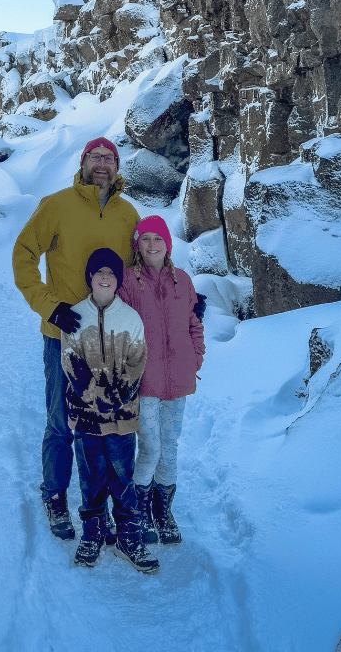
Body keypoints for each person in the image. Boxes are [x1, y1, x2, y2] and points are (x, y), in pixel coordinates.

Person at [12, 137, 139, 540]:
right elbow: (23, 254)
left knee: (107, 425)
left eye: (109, 158)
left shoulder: (127, 214)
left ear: (117, 167)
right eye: (95, 157)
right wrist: (49, 306)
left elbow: (140, 275)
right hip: (63, 335)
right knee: (60, 421)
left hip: (110, 340)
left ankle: (97, 506)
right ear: (83, 162)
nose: (102, 164)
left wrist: (185, 299)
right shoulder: (57, 204)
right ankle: (54, 495)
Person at [60, 249, 159, 573]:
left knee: (122, 476)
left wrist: (114, 397)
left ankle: (129, 537)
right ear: (90, 277)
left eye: (112, 273)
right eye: (99, 272)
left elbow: (137, 362)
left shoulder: (130, 319)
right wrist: (93, 395)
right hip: (86, 419)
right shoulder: (74, 316)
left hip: (121, 420)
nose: (105, 277)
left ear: (118, 280)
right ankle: (93, 532)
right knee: (90, 477)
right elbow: (71, 362)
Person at [118, 215, 204, 545]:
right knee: (150, 448)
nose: (152, 244)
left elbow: (194, 324)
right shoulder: (126, 282)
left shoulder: (183, 280)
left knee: (170, 449)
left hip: (178, 380)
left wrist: (195, 357)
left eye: (158, 239)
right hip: (145, 382)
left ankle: (162, 510)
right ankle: (138, 510)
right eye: (145, 239)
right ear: (136, 245)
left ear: (167, 244)